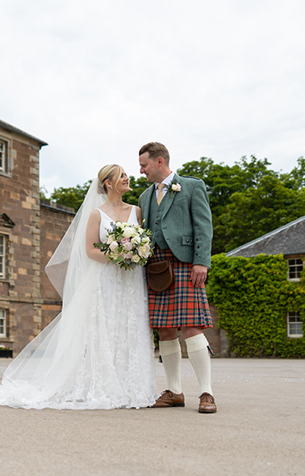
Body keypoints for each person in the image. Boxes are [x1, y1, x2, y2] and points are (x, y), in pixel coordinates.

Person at [0, 164, 158, 410]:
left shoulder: (137, 212)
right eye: (122, 175)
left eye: (127, 175)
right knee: (104, 330)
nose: (128, 178)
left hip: (131, 281)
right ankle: (104, 386)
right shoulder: (97, 214)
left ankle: (132, 387)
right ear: (109, 183)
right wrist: (119, 254)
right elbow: (90, 250)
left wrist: (136, 252)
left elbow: (144, 242)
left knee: (130, 326)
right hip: (105, 279)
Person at [137, 142, 217, 413]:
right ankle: (175, 391)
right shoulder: (145, 197)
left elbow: (204, 226)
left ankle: (206, 392)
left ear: (160, 162)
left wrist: (201, 262)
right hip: (157, 268)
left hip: (185, 265)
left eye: (144, 165)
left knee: (192, 327)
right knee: (165, 329)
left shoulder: (192, 186)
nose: (141, 171)